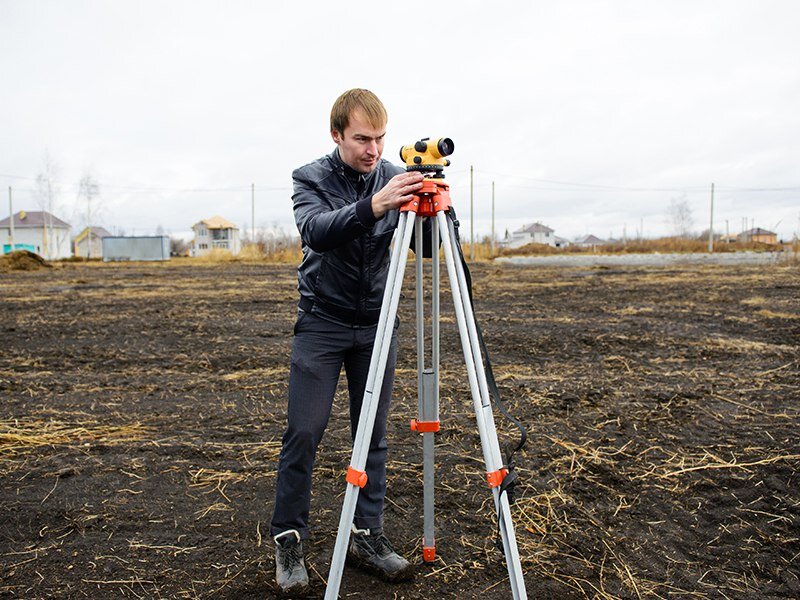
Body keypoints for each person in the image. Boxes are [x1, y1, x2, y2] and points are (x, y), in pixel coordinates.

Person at [269, 89, 425, 594]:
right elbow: (316, 231)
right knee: (304, 432)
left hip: (377, 326)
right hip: (322, 322)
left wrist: (434, 209)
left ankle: (365, 534)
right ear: (337, 134)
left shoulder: (393, 175)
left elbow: (423, 246)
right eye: (362, 138)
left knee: (372, 436)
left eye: (380, 138)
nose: (374, 149)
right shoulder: (309, 178)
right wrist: (375, 205)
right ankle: (289, 538)